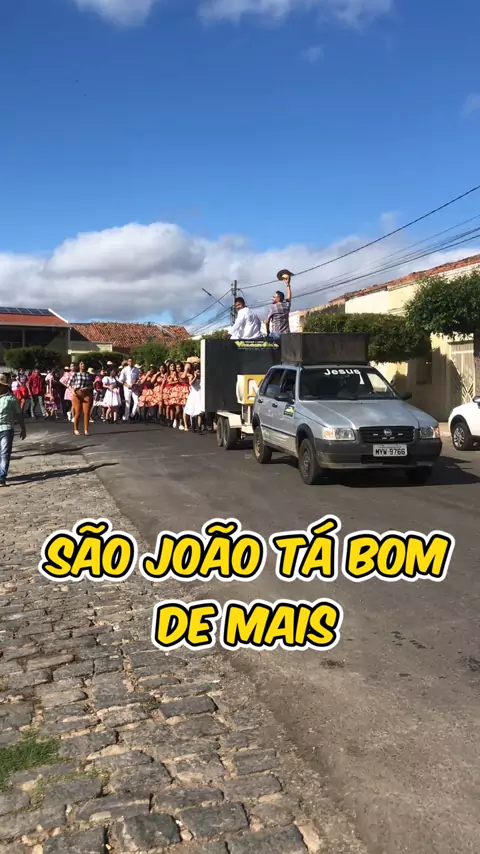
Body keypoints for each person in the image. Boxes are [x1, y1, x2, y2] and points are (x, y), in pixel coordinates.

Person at [0, 373, 26, 487]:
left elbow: (18, 414)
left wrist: (23, 428)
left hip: (6, 429)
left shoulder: (11, 398)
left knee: (4, 454)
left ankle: (1, 477)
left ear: (4, 386)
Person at [68, 362, 94, 436]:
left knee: (87, 413)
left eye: (84, 364)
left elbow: (91, 386)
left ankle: (86, 430)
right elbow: (69, 384)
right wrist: (72, 391)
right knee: (78, 412)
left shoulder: (88, 375)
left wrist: (86, 388)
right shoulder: (75, 374)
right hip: (77, 393)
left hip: (86, 393)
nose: (83, 365)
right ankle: (76, 429)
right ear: (79, 366)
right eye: (81, 364)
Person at [266, 271, 292, 342]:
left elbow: (267, 321)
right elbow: (289, 297)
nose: (272, 298)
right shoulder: (286, 305)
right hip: (286, 334)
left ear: (278, 298)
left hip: (276, 335)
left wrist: (268, 332)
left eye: (274, 297)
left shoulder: (273, 307)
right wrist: (288, 284)